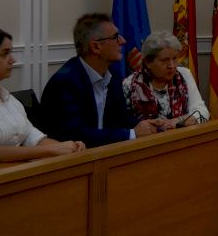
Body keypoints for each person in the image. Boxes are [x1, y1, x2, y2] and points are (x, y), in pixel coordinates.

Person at [0, 25, 85, 164]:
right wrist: (53, 150)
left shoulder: (9, 99)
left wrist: (70, 148)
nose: (12, 59)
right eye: (4, 54)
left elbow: (33, 138)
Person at [40, 13, 167, 147]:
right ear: (95, 47)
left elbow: (121, 118)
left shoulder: (112, 74)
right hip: (73, 156)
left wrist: (146, 125)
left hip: (104, 153)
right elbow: (76, 134)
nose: (123, 41)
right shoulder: (65, 82)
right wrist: (132, 133)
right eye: (115, 37)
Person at [123, 31, 209, 127]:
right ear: (148, 62)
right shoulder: (130, 84)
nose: (172, 66)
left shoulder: (184, 74)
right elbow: (123, 124)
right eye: (165, 60)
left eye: (174, 58)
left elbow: (202, 111)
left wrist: (179, 121)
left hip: (182, 134)